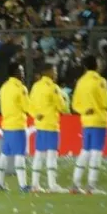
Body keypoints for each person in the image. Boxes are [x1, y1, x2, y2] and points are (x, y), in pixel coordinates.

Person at [71, 55, 107, 194]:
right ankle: (91, 186)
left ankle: (75, 184)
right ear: (96, 65)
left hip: (86, 121)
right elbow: (106, 102)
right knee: (96, 152)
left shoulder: (81, 82)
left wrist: (84, 110)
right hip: (99, 120)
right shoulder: (100, 81)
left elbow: (75, 104)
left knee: (85, 151)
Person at [30, 64, 69, 194]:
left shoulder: (35, 86)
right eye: (54, 71)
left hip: (40, 125)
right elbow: (62, 107)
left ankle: (35, 184)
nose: (56, 74)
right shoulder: (53, 87)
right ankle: (52, 185)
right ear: (47, 72)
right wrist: (64, 99)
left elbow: (30, 105)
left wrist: (36, 115)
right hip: (51, 125)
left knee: (39, 154)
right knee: (52, 155)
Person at [0, 63, 31, 192]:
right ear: (15, 72)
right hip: (17, 125)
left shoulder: (4, 87)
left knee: (5, 153)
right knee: (19, 154)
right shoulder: (21, 88)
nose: (23, 73)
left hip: (6, 125)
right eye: (21, 71)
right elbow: (27, 107)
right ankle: (23, 185)